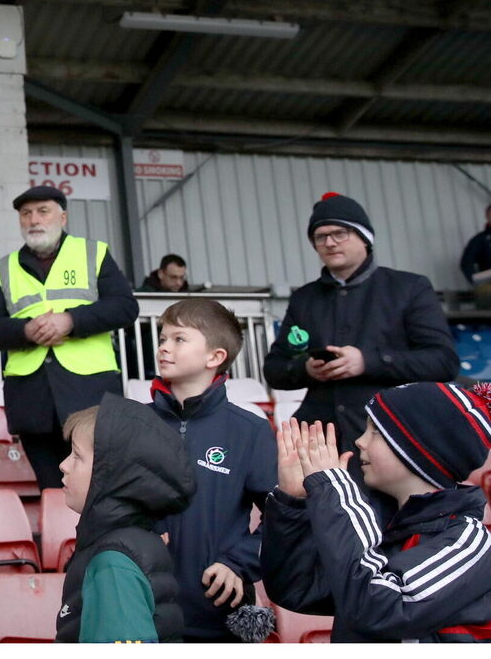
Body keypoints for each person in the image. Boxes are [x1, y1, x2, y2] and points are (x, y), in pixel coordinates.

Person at [261, 383, 491, 642]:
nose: (360, 440)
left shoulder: (469, 542)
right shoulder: (381, 523)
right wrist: (293, 503)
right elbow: (296, 589)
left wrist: (335, 491)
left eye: (375, 431)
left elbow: (378, 608)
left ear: (417, 451)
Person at [263, 192, 459, 494]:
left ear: (365, 238)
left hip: (391, 437)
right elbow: (275, 369)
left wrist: (367, 361)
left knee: (388, 531)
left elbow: (443, 362)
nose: (329, 243)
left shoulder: (408, 288)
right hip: (320, 444)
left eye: (340, 233)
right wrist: (307, 369)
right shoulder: (305, 298)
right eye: (320, 237)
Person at [0, 185, 139, 489]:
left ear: (62, 217)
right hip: (31, 398)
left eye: (43, 211)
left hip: (89, 393)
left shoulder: (93, 253)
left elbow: (125, 307)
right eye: (26, 214)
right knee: (51, 491)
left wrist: (71, 320)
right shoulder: (4, 268)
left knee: (101, 491)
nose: (34, 219)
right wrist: (25, 330)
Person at [148, 299, 278, 642]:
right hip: (142, 608)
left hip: (215, 612)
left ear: (215, 357)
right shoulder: (134, 424)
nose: (164, 347)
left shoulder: (250, 430)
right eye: (162, 338)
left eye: (179, 339)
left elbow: (281, 518)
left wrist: (239, 563)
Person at [54, 396, 196, 643]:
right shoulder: (127, 541)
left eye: (77, 456)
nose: (63, 465)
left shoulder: (113, 564)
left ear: (111, 475)